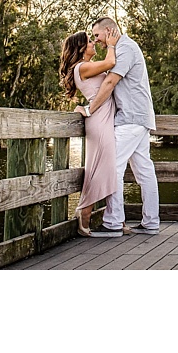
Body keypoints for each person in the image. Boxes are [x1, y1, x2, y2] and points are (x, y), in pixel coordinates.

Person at [76, 16, 160, 236]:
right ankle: (151, 222)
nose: (97, 40)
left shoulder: (125, 49)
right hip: (138, 117)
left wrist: (89, 109)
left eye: (97, 35)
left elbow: (111, 81)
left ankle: (113, 223)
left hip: (131, 118)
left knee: (113, 167)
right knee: (144, 170)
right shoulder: (124, 48)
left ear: (109, 31)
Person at [58, 27, 121, 236]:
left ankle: (100, 216)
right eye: (89, 40)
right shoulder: (82, 67)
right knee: (99, 168)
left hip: (104, 117)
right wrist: (111, 45)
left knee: (105, 168)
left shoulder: (87, 66)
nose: (94, 43)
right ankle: (84, 215)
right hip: (99, 120)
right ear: (81, 48)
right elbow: (111, 63)